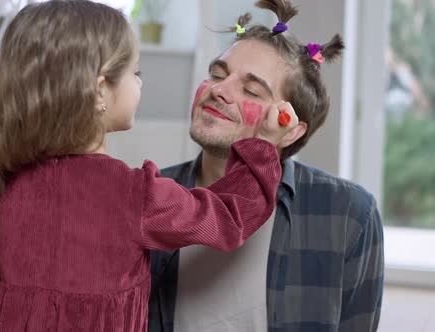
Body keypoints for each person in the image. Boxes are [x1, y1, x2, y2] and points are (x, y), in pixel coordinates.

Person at [0, 1, 299, 331]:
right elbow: (229, 217)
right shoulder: (134, 194)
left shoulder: (2, 181)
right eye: (135, 72)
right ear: (99, 90)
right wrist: (263, 145)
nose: (140, 82)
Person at [148, 0, 384, 331]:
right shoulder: (152, 195)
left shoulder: (348, 215)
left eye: (252, 90)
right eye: (217, 74)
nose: (219, 90)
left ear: (289, 125)